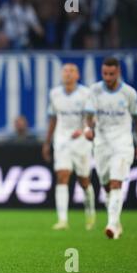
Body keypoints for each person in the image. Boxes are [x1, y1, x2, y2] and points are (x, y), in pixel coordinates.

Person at [85, 57, 137, 239]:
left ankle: (111, 224)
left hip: (122, 142)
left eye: (111, 74)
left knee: (116, 182)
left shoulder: (129, 93)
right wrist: (88, 129)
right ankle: (116, 221)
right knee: (106, 186)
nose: (108, 77)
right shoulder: (95, 90)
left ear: (118, 72)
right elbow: (89, 114)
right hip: (102, 143)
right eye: (105, 73)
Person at [42, 63, 96, 231]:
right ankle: (62, 220)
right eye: (65, 71)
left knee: (84, 180)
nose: (68, 74)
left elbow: (91, 119)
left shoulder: (86, 94)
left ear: (78, 75)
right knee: (62, 176)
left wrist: (83, 130)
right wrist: (47, 142)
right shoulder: (55, 93)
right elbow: (53, 119)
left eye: (72, 71)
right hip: (62, 140)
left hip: (81, 141)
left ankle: (90, 213)